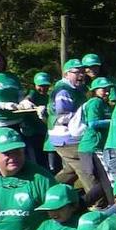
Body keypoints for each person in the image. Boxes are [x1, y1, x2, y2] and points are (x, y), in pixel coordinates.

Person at [76, 77, 116, 208]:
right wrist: (114, 121)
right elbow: (93, 123)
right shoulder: (94, 102)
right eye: (103, 89)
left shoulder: (105, 104)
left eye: (108, 89)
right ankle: (110, 205)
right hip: (92, 146)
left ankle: (81, 203)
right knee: (107, 180)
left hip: (100, 147)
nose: (107, 92)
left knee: (105, 180)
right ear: (95, 90)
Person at [47, 59, 88, 187]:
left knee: (70, 171)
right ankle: (98, 203)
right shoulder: (63, 91)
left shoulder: (77, 89)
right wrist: (85, 119)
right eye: (77, 72)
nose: (81, 75)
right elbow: (62, 116)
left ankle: (48, 189)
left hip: (70, 135)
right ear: (66, 74)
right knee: (86, 169)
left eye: (82, 71)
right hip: (66, 137)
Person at [21, 72, 51, 168]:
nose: (43, 88)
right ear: (35, 85)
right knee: (37, 157)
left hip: (44, 130)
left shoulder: (48, 97)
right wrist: (27, 102)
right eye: (40, 86)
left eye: (45, 85)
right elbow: (28, 99)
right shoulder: (33, 93)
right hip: (33, 132)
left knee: (45, 157)